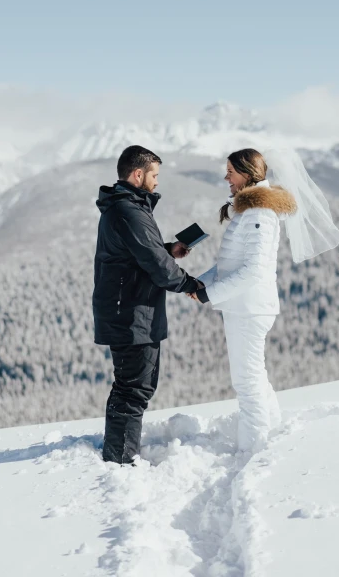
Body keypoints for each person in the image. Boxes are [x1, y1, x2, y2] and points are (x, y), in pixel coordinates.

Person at [192, 147, 339, 452]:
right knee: (254, 376)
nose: (226, 177)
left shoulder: (259, 213)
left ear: (247, 174)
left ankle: (255, 450)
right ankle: (270, 435)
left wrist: (209, 293)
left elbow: (253, 270)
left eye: (231, 172)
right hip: (243, 307)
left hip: (249, 309)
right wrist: (198, 283)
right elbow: (230, 265)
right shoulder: (251, 211)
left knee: (247, 383)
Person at [93, 145, 204, 465]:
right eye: (154, 175)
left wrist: (170, 248)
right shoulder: (128, 210)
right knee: (132, 389)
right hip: (129, 311)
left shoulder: (128, 207)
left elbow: (144, 253)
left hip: (131, 308)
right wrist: (191, 285)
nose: (157, 181)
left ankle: (120, 454)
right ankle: (119, 461)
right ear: (137, 174)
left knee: (134, 386)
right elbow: (155, 264)